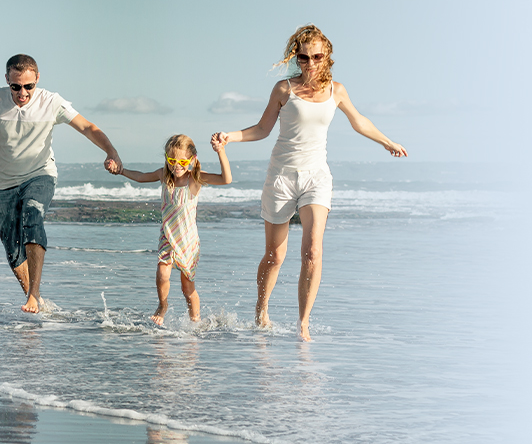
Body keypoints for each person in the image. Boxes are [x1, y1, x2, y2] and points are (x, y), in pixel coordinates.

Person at [212, 24, 407, 341]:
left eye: (317, 57)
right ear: (296, 58)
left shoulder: (337, 90)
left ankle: (303, 324)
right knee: (275, 255)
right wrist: (229, 137)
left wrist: (386, 141)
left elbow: (359, 122)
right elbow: (262, 129)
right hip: (281, 176)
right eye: (303, 58)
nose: (310, 64)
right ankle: (262, 308)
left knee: (312, 252)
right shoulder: (283, 90)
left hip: (317, 176)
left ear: (327, 56)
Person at [0, 54, 123, 314]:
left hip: (41, 174)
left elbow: (87, 127)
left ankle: (34, 295)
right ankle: (35, 298)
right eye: (16, 86)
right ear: (7, 80)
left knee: (33, 216)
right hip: (5, 182)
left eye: (29, 86)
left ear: (37, 79)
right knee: (12, 249)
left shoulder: (52, 102)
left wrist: (111, 151)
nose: (22, 92)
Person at [117, 134, 232, 325]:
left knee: (187, 289)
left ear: (192, 159)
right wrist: (121, 171)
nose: (176, 166)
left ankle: (196, 321)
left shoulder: (195, 179)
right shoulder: (164, 175)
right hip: (167, 236)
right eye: (171, 160)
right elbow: (141, 177)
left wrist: (221, 152)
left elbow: (226, 179)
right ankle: (163, 305)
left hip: (188, 239)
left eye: (182, 161)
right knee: (162, 275)